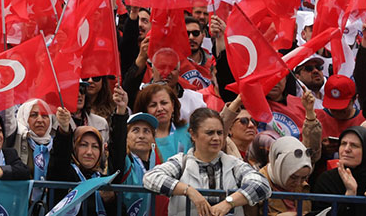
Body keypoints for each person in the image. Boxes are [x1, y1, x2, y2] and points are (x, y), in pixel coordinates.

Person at [143, 108, 271, 216]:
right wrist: (189, 191)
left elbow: (262, 184)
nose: (216, 138)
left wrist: (229, 202)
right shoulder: (181, 162)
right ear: (193, 134)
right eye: (210, 133)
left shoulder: (234, 164)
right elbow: (151, 177)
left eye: (219, 133)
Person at [311, 125, 366, 215]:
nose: (346, 149)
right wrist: (349, 196)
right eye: (343, 143)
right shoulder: (327, 180)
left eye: (354, 145)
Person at [44, 108, 116, 214]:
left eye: (95, 146)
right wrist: (64, 129)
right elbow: (60, 157)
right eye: (83, 145)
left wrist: (110, 201)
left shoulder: (104, 181)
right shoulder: (64, 172)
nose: (89, 152)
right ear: (74, 148)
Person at [246, 136, 313, 216]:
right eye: (293, 177)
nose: (298, 183)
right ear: (279, 166)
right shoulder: (256, 185)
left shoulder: (303, 186)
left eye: (304, 178)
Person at [134, 83, 192, 160]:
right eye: (153, 105)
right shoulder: (138, 139)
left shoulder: (189, 131)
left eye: (164, 103)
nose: (160, 109)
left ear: (173, 105)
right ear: (145, 111)